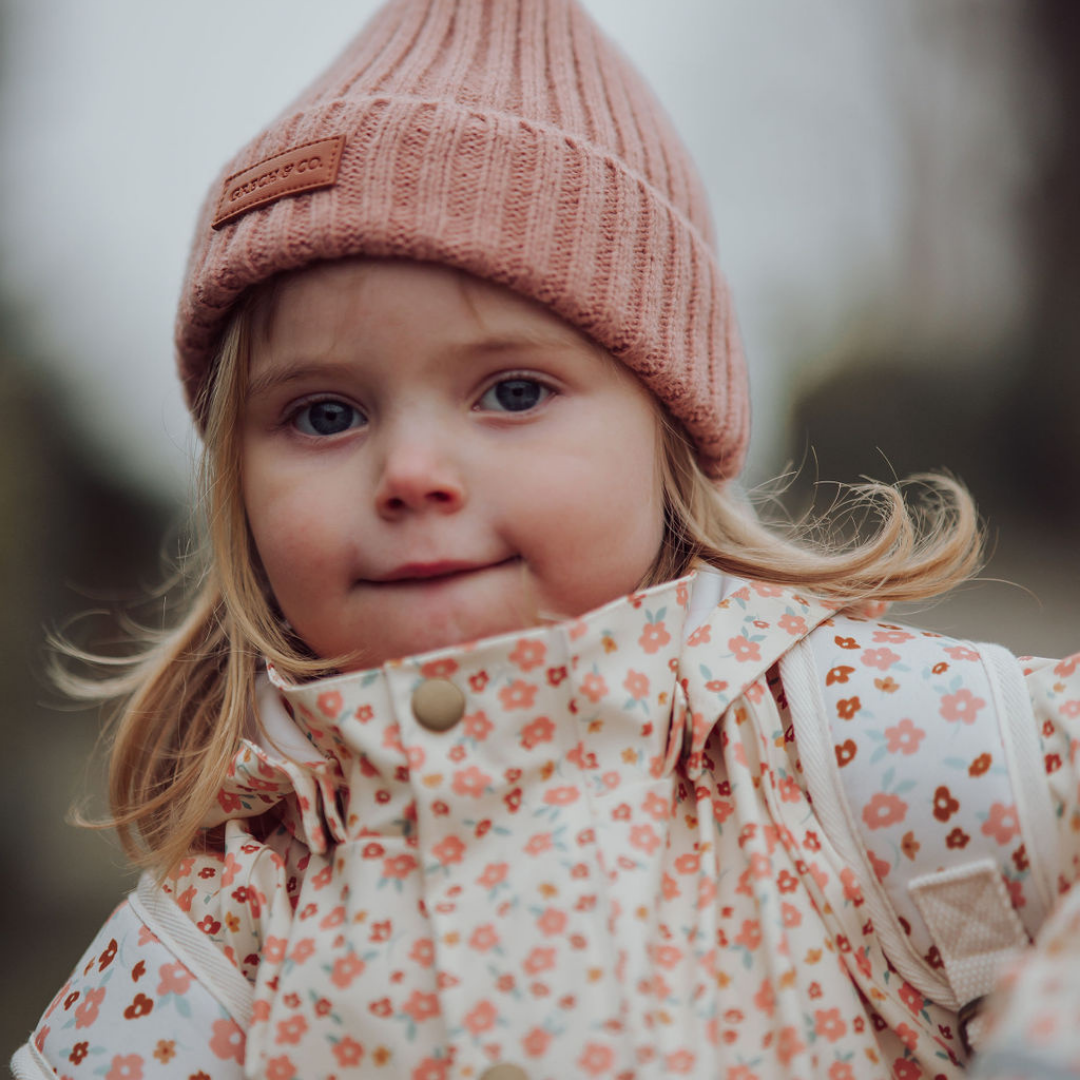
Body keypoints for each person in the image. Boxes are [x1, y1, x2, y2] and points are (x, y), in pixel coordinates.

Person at [11, 1, 1079, 1078]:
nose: (412, 474)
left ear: (667, 427)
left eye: (511, 391)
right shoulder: (241, 901)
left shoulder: (831, 744)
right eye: (326, 415)